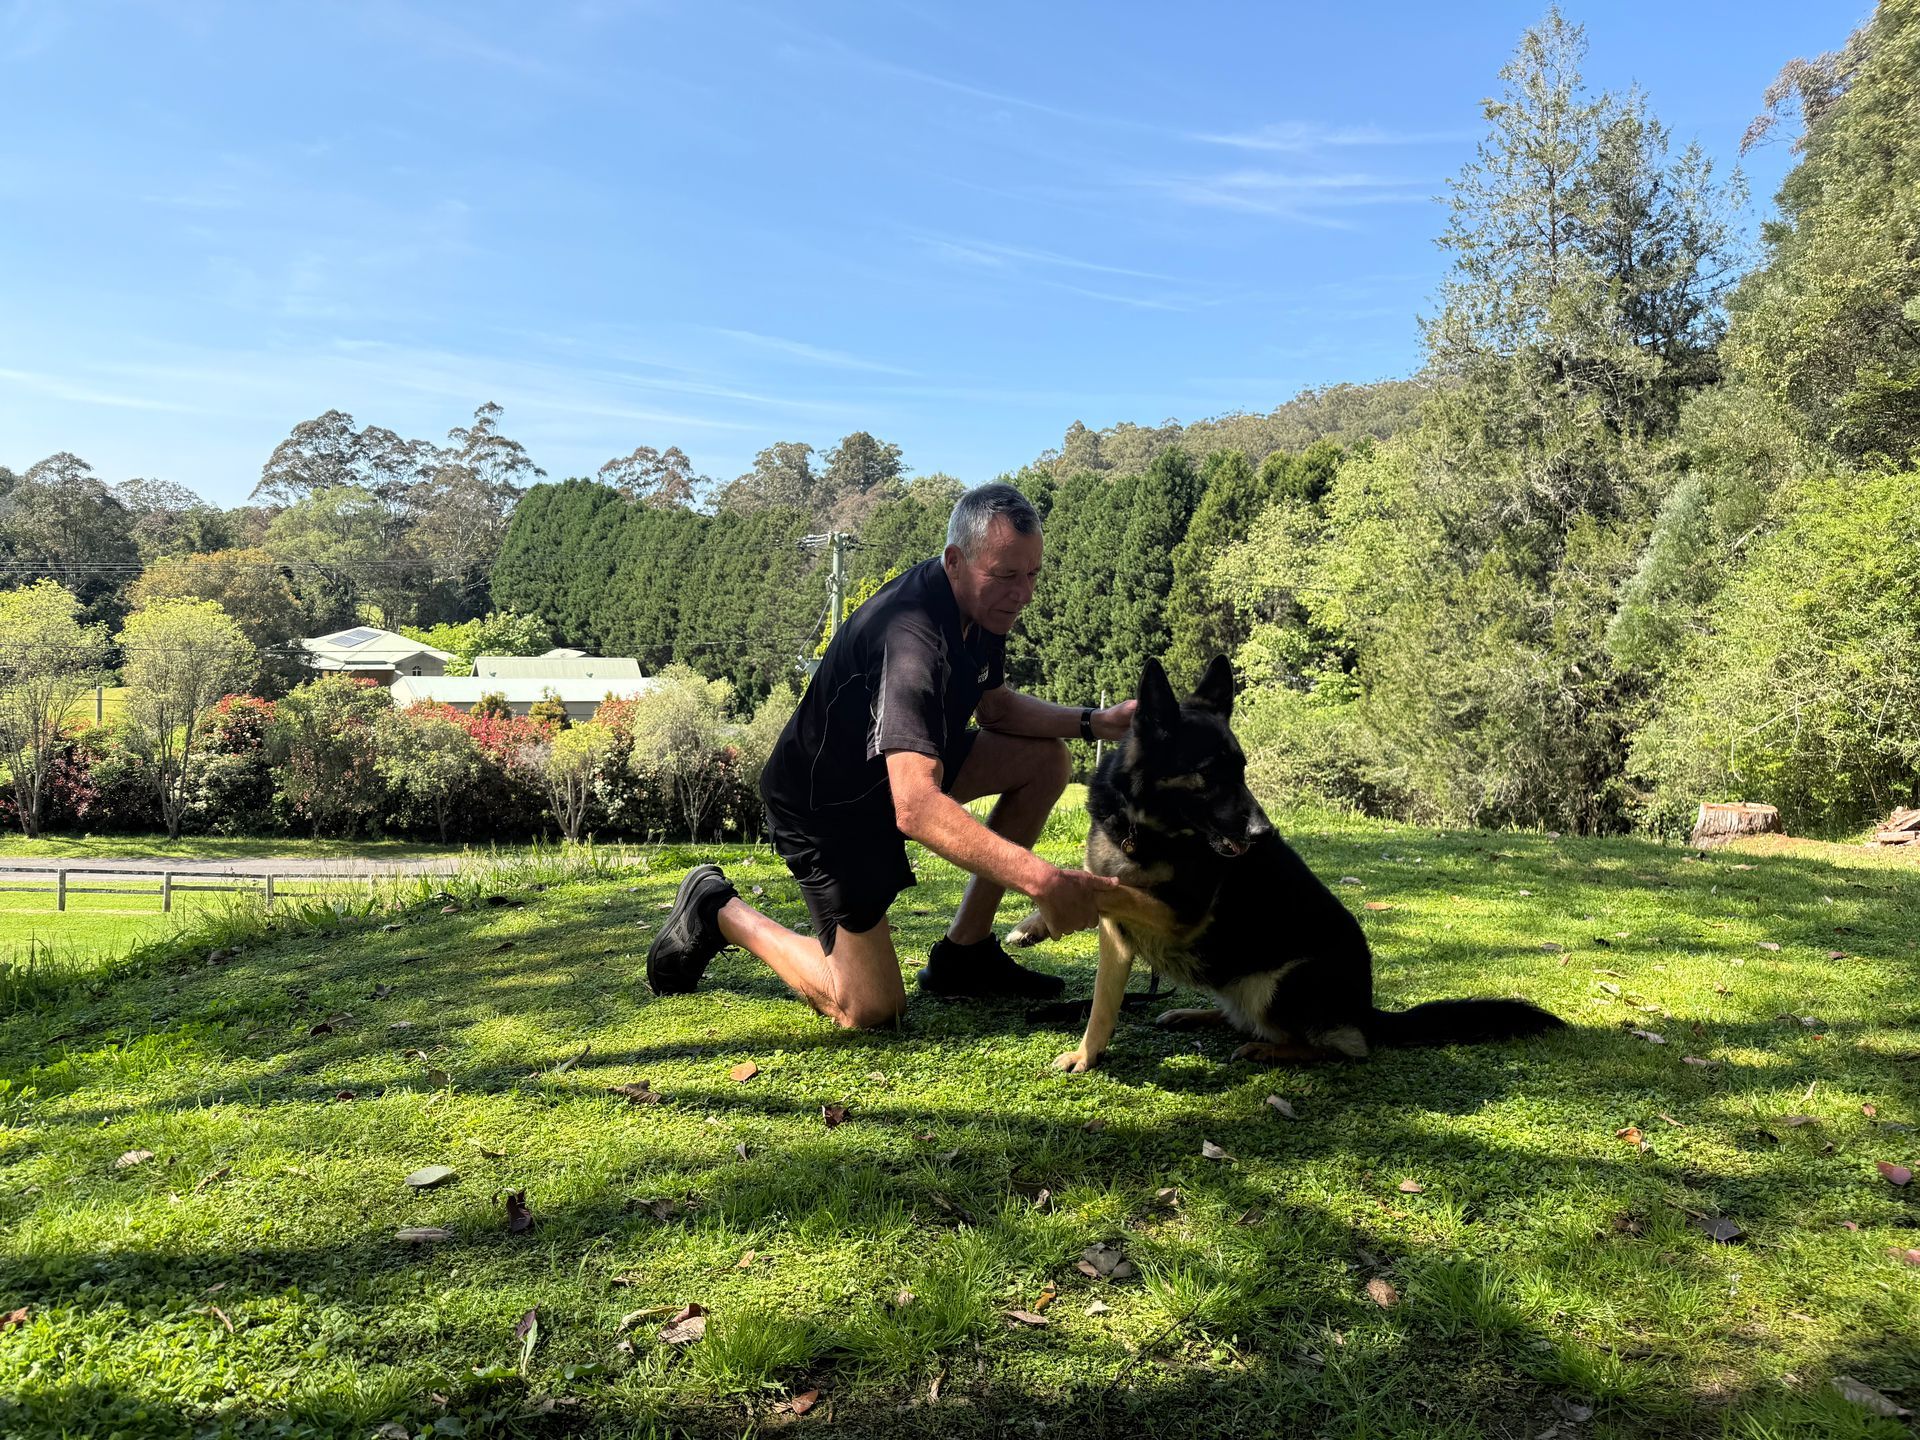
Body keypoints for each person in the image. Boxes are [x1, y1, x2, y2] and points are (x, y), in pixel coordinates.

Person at [645, 482, 1135, 1028]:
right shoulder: (913, 638)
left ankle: (963, 957)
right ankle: (717, 909)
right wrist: (1043, 881)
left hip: (899, 775)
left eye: (1031, 574)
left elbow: (995, 711)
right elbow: (917, 807)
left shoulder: (982, 607)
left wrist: (1096, 722)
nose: (1023, 593)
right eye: (1006, 576)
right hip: (828, 809)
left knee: (1045, 761)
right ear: (955, 560)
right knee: (871, 1007)